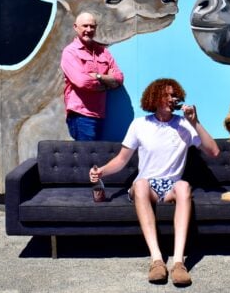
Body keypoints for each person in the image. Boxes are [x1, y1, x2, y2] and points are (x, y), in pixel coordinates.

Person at [89, 78, 219, 286]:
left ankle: (178, 263)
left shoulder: (184, 125)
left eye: (174, 95)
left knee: (184, 186)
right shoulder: (140, 124)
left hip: (171, 186)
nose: (171, 99)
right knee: (140, 184)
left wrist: (195, 122)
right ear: (155, 98)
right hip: (147, 186)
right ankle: (157, 260)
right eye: (166, 95)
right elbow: (121, 160)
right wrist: (101, 172)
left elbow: (213, 151)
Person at [60, 12, 123, 140]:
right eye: (85, 26)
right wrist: (107, 84)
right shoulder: (70, 52)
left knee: (95, 152)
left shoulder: (103, 52)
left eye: (92, 26)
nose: (89, 30)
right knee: (87, 153)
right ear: (75, 27)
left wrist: (98, 76)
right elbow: (82, 82)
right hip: (81, 115)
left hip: (100, 114)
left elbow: (119, 78)